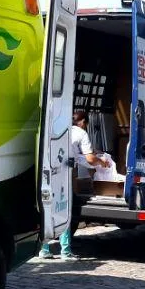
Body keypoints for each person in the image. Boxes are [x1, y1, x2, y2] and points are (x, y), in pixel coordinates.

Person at [40, 109, 110, 260]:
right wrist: (101, 162)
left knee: (48, 210)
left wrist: (92, 153)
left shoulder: (59, 129)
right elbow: (90, 159)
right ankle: (65, 251)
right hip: (64, 176)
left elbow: (75, 153)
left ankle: (44, 249)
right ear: (84, 122)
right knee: (65, 210)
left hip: (48, 173)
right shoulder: (81, 133)